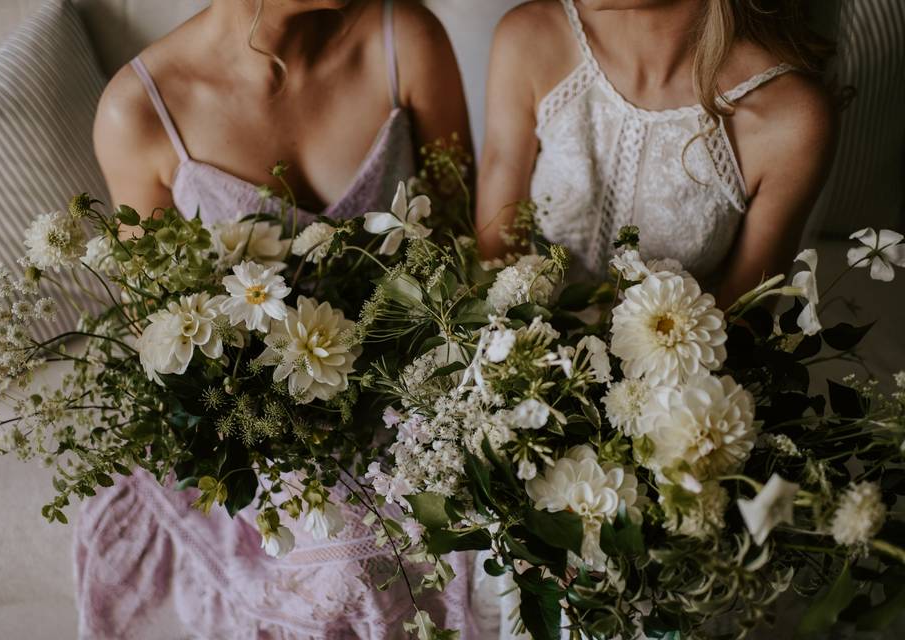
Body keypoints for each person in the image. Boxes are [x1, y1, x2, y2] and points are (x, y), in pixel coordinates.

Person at [76, 1, 474, 638]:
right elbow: (164, 343)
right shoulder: (141, 112)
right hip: (262, 429)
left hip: (416, 392)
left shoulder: (406, 37)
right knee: (343, 561)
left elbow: (459, 248)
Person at [476, 0, 837, 308]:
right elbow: (491, 269)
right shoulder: (528, 38)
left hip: (688, 380)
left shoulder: (791, 119)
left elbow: (744, 326)